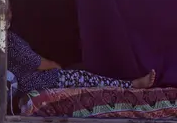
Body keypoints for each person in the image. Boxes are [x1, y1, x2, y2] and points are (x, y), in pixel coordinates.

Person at [8, 31, 156, 96]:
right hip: (33, 81)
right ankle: (131, 86)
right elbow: (37, 62)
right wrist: (55, 67)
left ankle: (127, 84)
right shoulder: (9, 40)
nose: (10, 13)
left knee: (80, 70)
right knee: (84, 77)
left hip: (29, 80)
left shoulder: (3, 38)